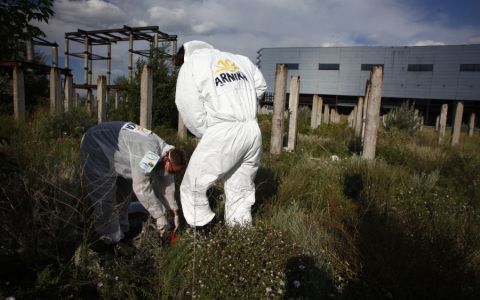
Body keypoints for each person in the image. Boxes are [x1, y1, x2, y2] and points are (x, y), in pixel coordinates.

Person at [174, 40, 267, 229]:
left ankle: (204, 234)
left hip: (223, 130)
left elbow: (188, 106)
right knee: (239, 190)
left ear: (184, 55)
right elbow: (261, 87)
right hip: (252, 130)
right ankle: (240, 235)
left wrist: (207, 132)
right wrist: (245, 107)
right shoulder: (239, 59)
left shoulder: (191, 65)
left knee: (192, 186)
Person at [80, 121, 186, 255]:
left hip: (119, 150)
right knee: (104, 197)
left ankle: (122, 232)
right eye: (170, 170)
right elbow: (141, 186)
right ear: (166, 160)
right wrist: (159, 216)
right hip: (97, 144)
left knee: (124, 194)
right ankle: (110, 241)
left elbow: (166, 182)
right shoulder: (151, 155)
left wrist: (174, 211)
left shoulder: (166, 150)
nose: (170, 173)